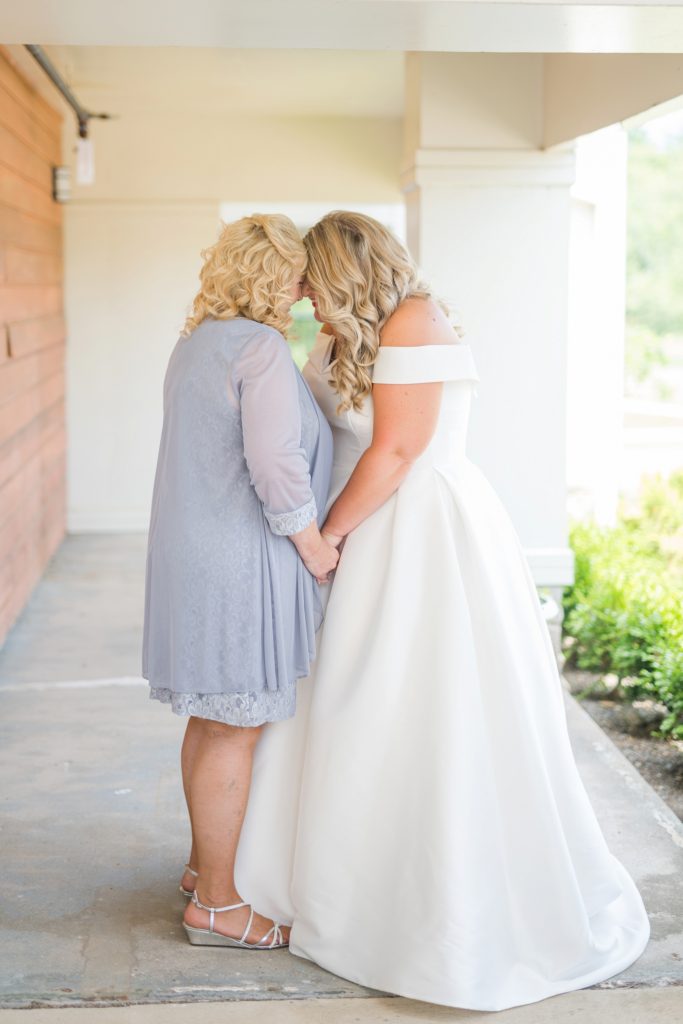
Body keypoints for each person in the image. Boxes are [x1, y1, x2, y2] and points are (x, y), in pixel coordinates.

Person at [235, 211, 649, 1005]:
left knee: (419, 701)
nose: (303, 296)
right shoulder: (340, 333)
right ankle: (327, 874)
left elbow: (397, 450)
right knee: (344, 702)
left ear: (345, 272)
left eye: (312, 280)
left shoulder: (416, 321)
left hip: (415, 533)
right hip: (359, 524)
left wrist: (326, 536)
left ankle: (436, 898)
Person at [142, 214, 338, 950]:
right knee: (234, 725)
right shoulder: (259, 347)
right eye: (298, 274)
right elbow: (275, 462)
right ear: (273, 274)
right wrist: (314, 545)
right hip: (237, 560)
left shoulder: (195, 342)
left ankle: (204, 869)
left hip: (193, 552)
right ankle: (219, 906)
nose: (304, 289)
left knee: (212, 720)